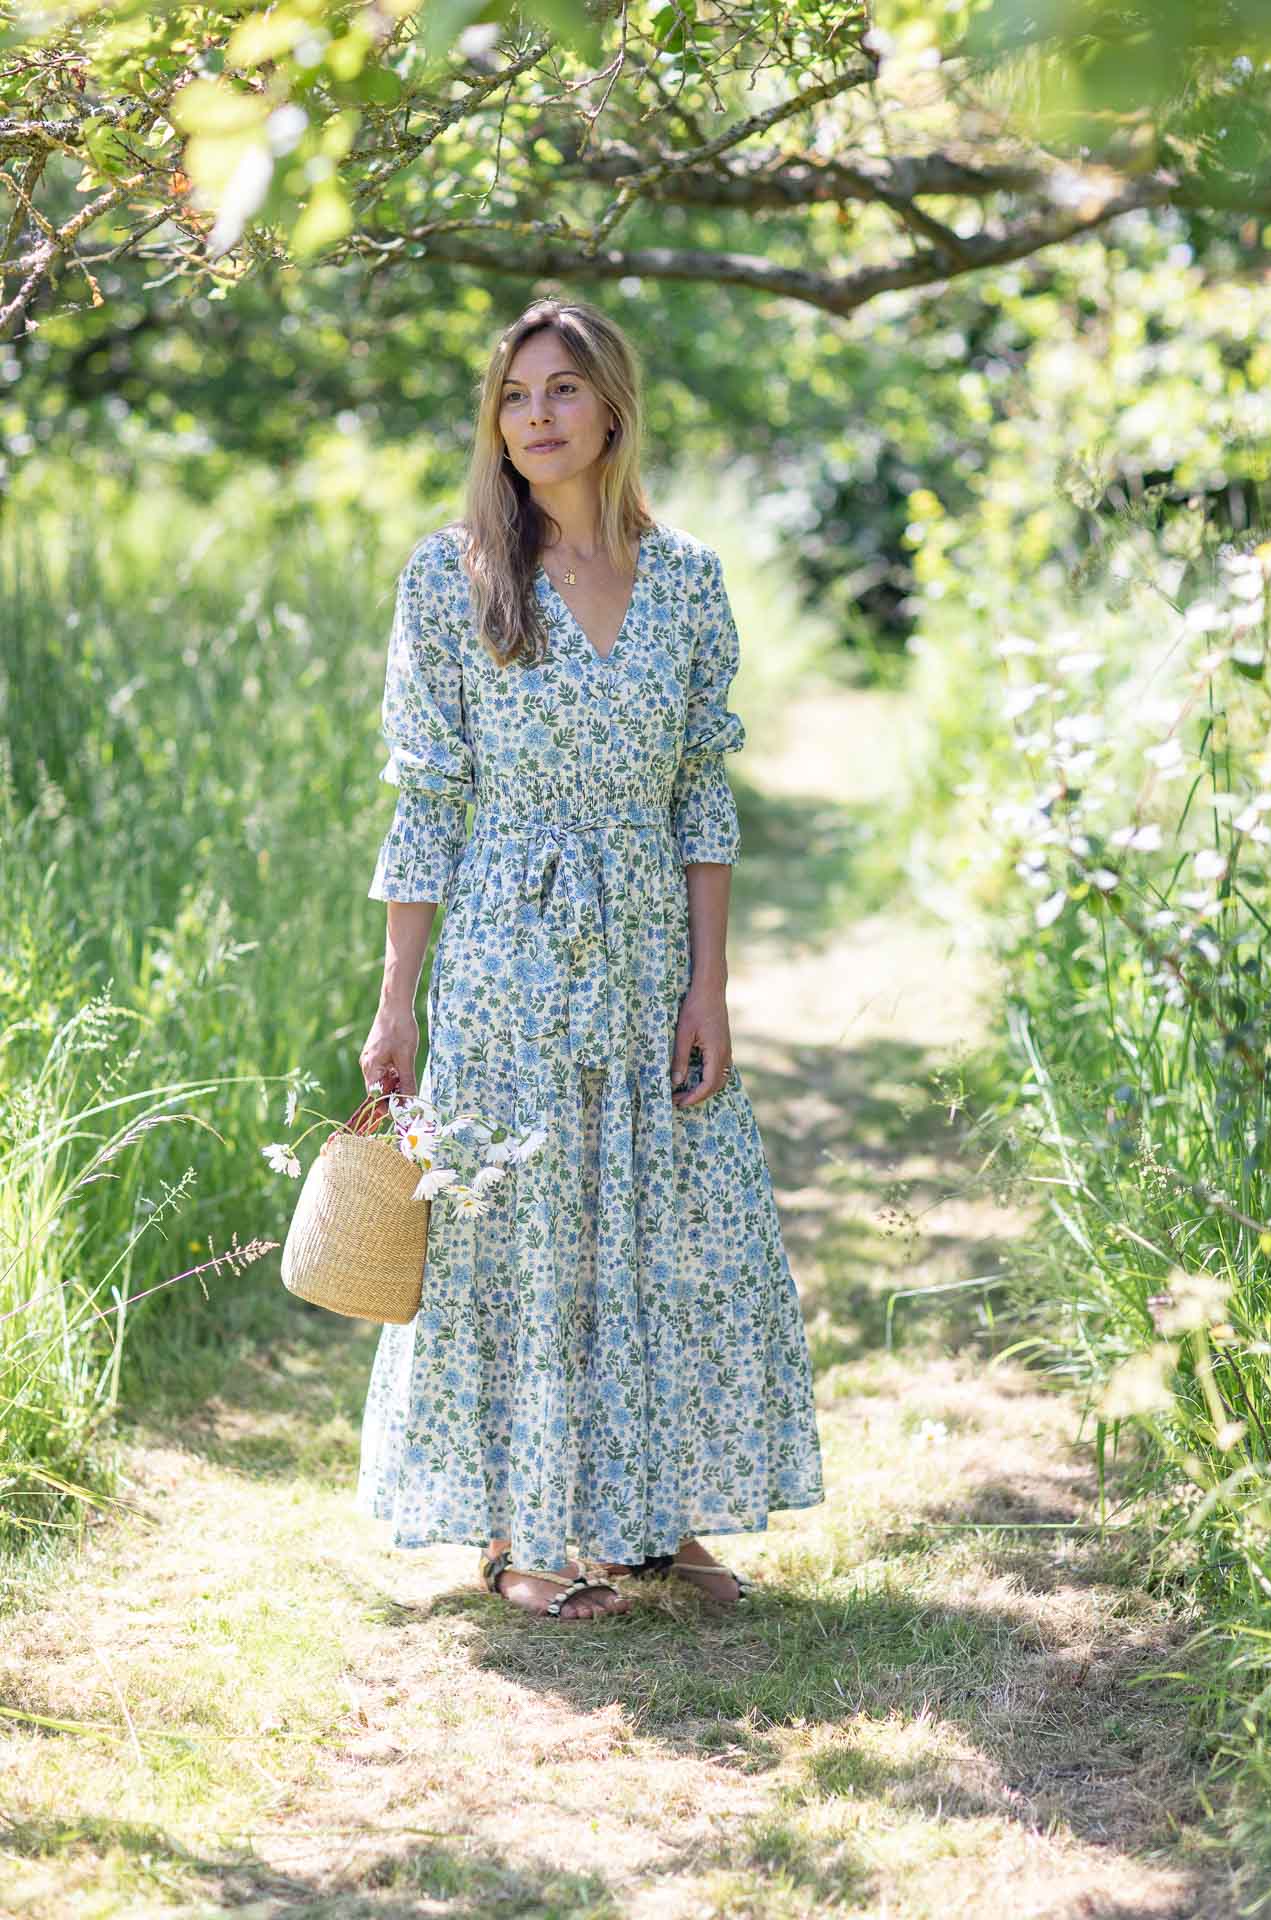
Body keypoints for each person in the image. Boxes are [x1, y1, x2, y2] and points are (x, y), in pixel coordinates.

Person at [355, 296, 824, 1622]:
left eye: (562, 390)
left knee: (667, 1230)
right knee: (527, 1232)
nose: (537, 417)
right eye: (514, 396)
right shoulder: (452, 576)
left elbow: (701, 804)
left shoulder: (686, 583)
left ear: (611, 408)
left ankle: (651, 1520)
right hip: (507, 946)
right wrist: (397, 1003)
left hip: (646, 948)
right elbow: (426, 798)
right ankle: (523, 1534)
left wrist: (710, 985)